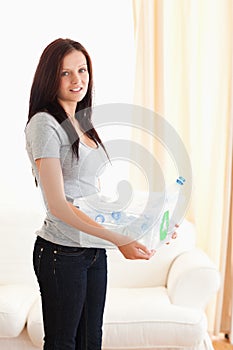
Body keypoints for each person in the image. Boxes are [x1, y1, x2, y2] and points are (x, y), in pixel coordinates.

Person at [25, 38, 155, 350]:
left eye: (82, 70)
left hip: (92, 250)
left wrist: (152, 222)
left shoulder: (82, 123)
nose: (77, 79)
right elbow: (58, 205)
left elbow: (91, 196)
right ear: (49, 77)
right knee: (62, 343)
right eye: (65, 73)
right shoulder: (45, 124)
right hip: (61, 252)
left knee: (90, 342)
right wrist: (119, 239)